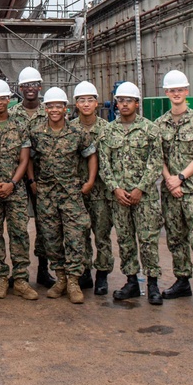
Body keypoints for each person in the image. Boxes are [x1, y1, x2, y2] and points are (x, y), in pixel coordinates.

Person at [99, 81, 164, 305]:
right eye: (120, 101)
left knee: (148, 240)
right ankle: (131, 282)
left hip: (144, 198)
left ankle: (153, 283)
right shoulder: (108, 131)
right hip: (119, 198)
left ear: (137, 103)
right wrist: (115, 188)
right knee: (125, 241)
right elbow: (103, 163)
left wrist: (140, 188)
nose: (124, 104)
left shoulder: (150, 129)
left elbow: (155, 162)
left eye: (128, 101)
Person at [30, 87, 96, 304]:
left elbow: (90, 155)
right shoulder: (37, 133)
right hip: (47, 196)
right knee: (51, 238)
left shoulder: (77, 133)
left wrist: (89, 182)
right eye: (51, 106)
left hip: (71, 195)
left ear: (66, 108)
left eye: (59, 106)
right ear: (45, 108)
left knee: (75, 237)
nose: (55, 110)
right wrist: (32, 182)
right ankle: (60, 279)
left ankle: (74, 281)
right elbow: (29, 158)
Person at [157, 70, 193, 309]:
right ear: (166, 93)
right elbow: (158, 156)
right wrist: (170, 179)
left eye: (180, 89)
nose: (176, 94)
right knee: (176, 238)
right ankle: (182, 281)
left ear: (187, 92)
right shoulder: (160, 124)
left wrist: (180, 177)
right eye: (172, 90)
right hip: (171, 191)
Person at [0, 79, 39, 300]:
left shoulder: (20, 125)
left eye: (3, 98)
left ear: (9, 100)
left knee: (19, 234)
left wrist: (12, 184)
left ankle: (20, 279)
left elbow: (24, 160)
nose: (0, 102)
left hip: (16, 190)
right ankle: (1, 276)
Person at [12, 66, 55, 290]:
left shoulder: (49, 112)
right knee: (17, 226)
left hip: (45, 177)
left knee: (45, 224)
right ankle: (17, 272)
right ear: (20, 88)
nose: (30, 89)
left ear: (40, 87)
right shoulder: (13, 114)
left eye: (34, 85)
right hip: (18, 177)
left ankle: (43, 270)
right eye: (26, 85)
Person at [71, 81, 114, 296]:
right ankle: (85, 270)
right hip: (77, 192)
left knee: (102, 234)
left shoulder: (107, 129)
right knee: (80, 234)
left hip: (101, 191)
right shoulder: (70, 128)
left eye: (90, 100)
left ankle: (103, 274)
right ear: (76, 104)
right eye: (81, 100)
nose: (86, 104)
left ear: (96, 103)